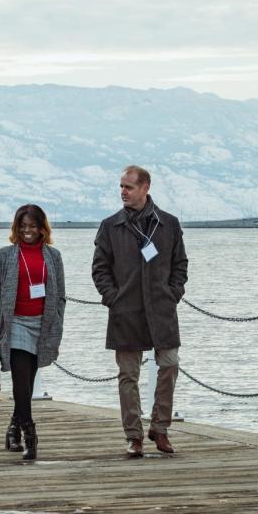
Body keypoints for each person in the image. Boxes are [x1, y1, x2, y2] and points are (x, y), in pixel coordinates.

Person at [91, 165, 188, 457]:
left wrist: (173, 293)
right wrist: (113, 298)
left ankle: (160, 428)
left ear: (146, 188)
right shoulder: (110, 226)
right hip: (126, 311)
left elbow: (180, 264)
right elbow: (99, 268)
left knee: (170, 364)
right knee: (128, 375)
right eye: (121, 187)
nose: (123, 192)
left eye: (128, 187)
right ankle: (133, 435)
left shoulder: (168, 224)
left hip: (162, 310)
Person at [0, 204, 66, 461]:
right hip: (15, 323)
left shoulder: (53, 257)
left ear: (42, 228)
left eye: (32, 226)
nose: (28, 231)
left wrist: (57, 323)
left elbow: (61, 295)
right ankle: (30, 433)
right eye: (23, 227)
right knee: (20, 379)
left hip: (42, 325)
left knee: (27, 384)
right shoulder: (4, 255)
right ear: (16, 228)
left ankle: (13, 428)